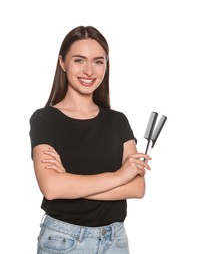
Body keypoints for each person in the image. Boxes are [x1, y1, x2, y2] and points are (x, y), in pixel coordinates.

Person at [29, 25, 151, 254]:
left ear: (106, 65)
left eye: (98, 61)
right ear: (62, 62)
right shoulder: (44, 119)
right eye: (79, 60)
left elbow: (137, 187)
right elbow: (52, 188)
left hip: (115, 240)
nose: (89, 71)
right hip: (64, 240)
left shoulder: (118, 121)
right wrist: (119, 176)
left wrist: (70, 184)